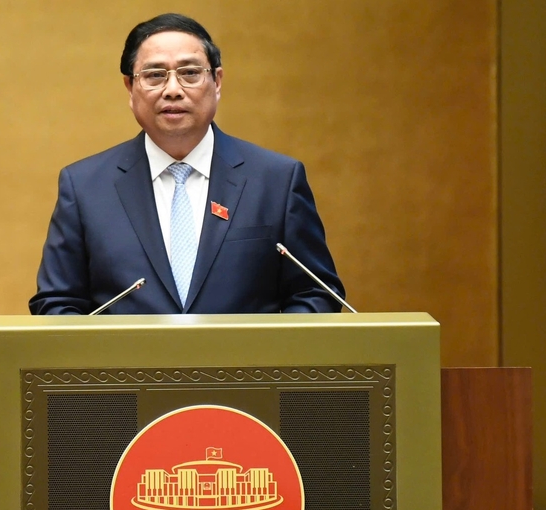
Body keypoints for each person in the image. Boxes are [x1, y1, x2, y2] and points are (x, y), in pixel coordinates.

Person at [29, 13, 345, 315]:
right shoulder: (84, 186)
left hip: (246, 369)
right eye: (154, 75)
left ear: (217, 81)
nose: (173, 90)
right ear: (130, 87)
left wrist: (266, 356)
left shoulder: (277, 180)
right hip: (127, 370)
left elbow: (316, 294)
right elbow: (57, 303)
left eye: (190, 73)